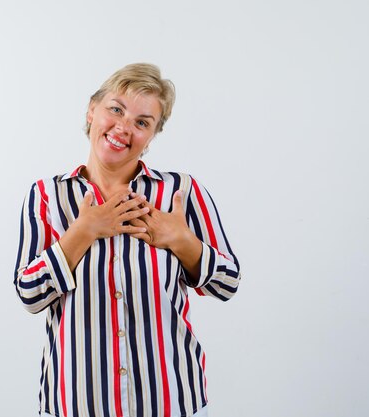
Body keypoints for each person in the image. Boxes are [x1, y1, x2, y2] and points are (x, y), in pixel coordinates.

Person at [13, 63, 241, 417]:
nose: (123, 127)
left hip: (170, 401)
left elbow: (228, 283)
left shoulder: (181, 193)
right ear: (92, 110)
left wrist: (182, 242)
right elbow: (30, 294)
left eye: (142, 122)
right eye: (115, 109)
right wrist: (83, 231)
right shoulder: (47, 196)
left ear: (152, 136)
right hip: (76, 403)